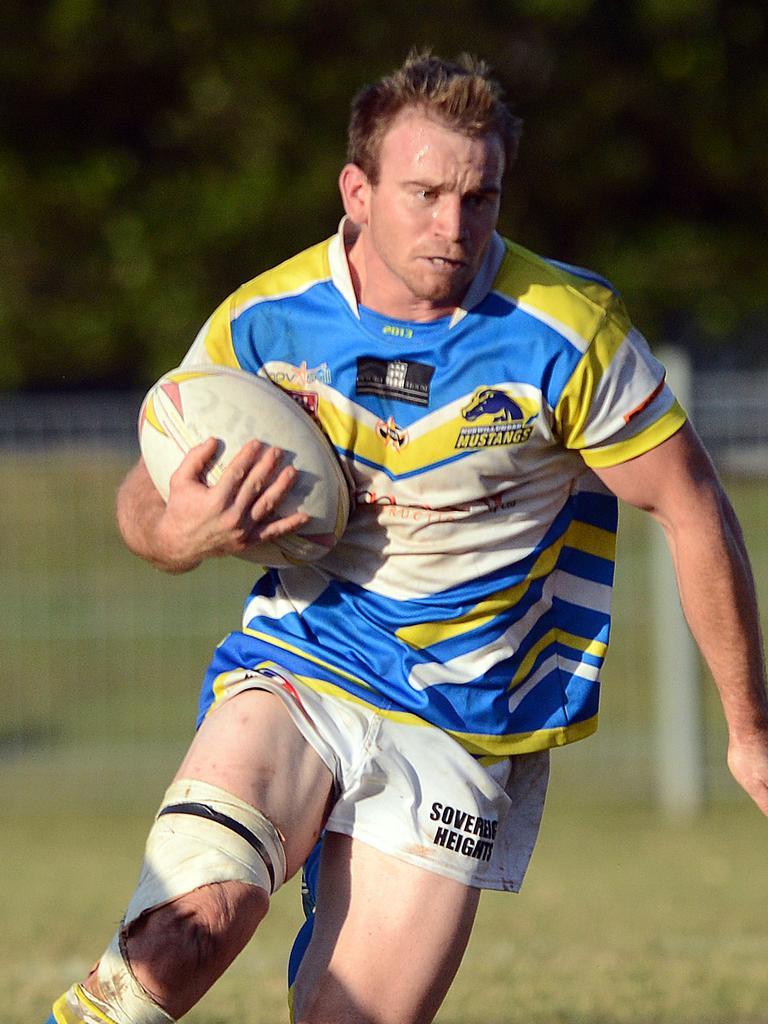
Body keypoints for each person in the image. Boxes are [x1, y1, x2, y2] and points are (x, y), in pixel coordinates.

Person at [47, 49, 768, 1024]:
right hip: (303, 665)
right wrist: (179, 532)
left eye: (480, 197)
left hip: (464, 721)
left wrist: (750, 730)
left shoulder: (565, 332)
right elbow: (147, 483)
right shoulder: (269, 323)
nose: (453, 225)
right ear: (357, 188)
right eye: (425, 192)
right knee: (189, 928)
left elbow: (691, 506)